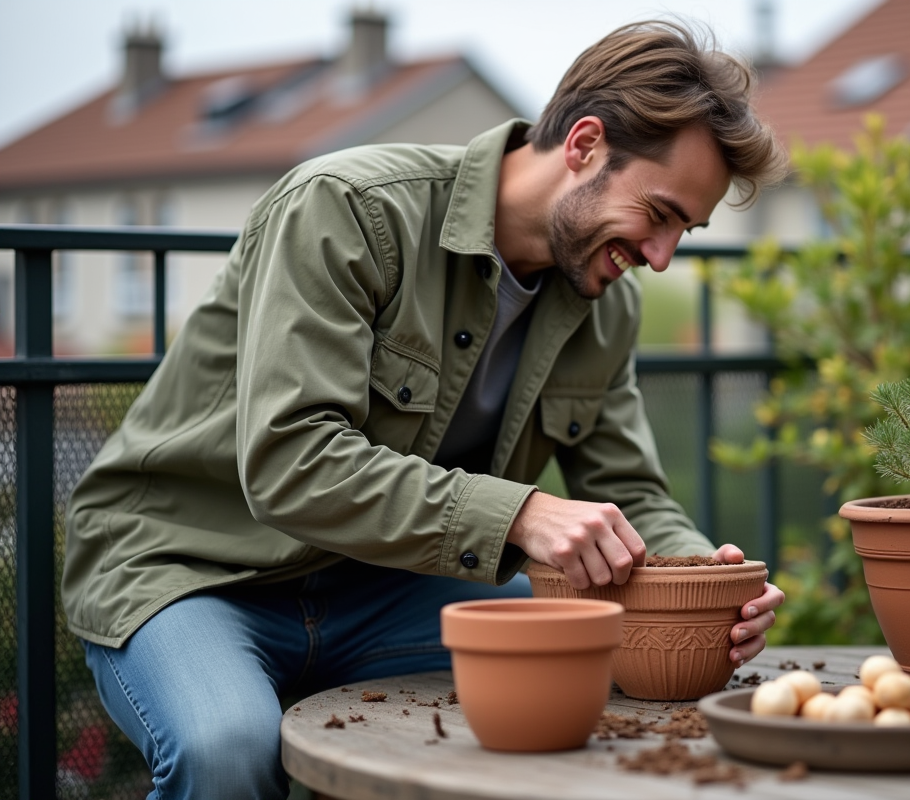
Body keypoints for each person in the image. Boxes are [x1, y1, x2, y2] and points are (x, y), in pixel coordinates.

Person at [63, 19, 789, 799]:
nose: (661, 256)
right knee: (227, 748)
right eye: (661, 212)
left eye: (685, 228)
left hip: (385, 588)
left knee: (601, 669)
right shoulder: (346, 208)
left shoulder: (603, 306)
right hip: (187, 570)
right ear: (583, 145)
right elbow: (291, 461)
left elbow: (634, 493)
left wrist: (708, 586)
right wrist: (519, 516)